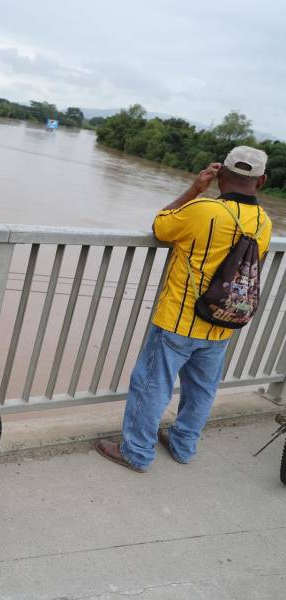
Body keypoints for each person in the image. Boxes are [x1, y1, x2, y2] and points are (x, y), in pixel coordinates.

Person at [96, 146, 272, 472]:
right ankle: (183, 445)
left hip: (179, 319)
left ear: (220, 174)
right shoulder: (264, 222)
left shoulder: (203, 210)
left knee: (151, 385)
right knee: (202, 390)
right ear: (261, 181)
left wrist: (194, 189)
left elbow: (160, 226)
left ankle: (136, 453)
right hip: (223, 321)